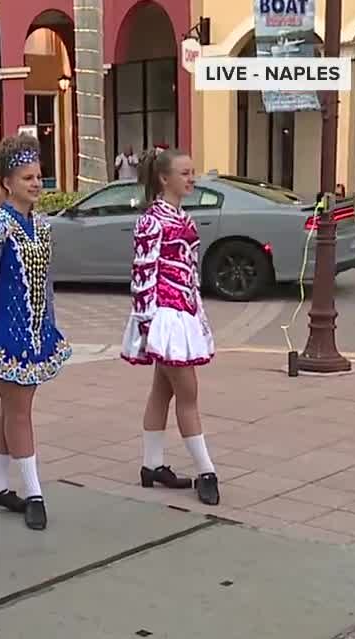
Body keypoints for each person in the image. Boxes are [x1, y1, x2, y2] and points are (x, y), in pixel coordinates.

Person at [0, 134, 72, 532]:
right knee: (19, 412)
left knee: (12, 408)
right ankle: (33, 492)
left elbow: (46, 282)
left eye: (38, 176)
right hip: (7, 335)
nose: (36, 183)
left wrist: (50, 322)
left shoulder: (41, 226)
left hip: (35, 331)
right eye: (27, 177)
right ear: (7, 182)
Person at [120, 148, 220, 506]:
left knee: (163, 391)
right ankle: (206, 471)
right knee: (188, 394)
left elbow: (190, 275)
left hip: (183, 312)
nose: (191, 178)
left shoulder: (183, 218)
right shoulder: (152, 221)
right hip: (165, 315)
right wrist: (147, 325)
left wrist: (198, 314)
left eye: (192, 172)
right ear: (165, 179)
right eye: (184, 173)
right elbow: (142, 273)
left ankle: (152, 465)